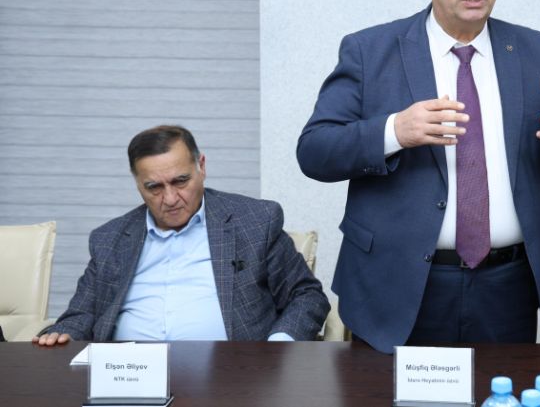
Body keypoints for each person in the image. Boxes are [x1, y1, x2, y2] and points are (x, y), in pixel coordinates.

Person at [297, 0, 540, 353]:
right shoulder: (370, 51)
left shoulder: (536, 50)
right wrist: (395, 131)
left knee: (501, 391)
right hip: (397, 284)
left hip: (508, 286)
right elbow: (314, 151)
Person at [34, 125, 329, 345]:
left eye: (180, 181)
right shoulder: (110, 238)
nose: (171, 198)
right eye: (154, 187)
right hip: (130, 376)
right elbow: (81, 314)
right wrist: (63, 333)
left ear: (201, 167)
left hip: (233, 375)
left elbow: (306, 296)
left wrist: (277, 347)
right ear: (138, 184)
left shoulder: (254, 221)